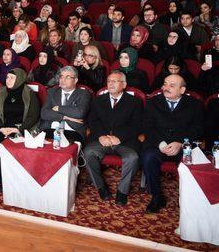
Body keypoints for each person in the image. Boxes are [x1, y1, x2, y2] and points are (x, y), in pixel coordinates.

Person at [141, 74, 204, 213]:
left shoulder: (195, 104)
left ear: (182, 90)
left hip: (183, 145)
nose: (166, 88)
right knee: (148, 157)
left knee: (190, 161)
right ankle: (156, 196)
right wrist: (161, 143)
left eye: (172, 85)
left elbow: (199, 129)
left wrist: (180, 143)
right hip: (158, 144)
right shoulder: (153, 102)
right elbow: (147, 127)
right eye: (165, 84)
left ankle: (186, 199)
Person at [84, 71, 143, 205]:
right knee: (88, 152)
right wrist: (101, 136)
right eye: (109, 81)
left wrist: (119, 138)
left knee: (132, 158)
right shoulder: (98, 100)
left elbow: (138, 125)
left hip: (124, 141)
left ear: (124, 84)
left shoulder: (134, 102)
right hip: (102, 140)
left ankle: (122, 191)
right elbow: (92, 121)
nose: (110, 84)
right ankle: (100, 187)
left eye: (114, 81)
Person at [0, 68, 40, 190]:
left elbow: (34, 115)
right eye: (7, 77)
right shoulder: (1, 92)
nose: (8, 80)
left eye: (12, 78)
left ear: (20, 79)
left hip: (20, 128)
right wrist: (1, 128)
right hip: (4, 127)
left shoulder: (29, 94)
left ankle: (17, 178)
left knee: (15, 146)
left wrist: (19, 130)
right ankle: (1, 179)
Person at [40, 66, 92, 143]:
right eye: (61, 77)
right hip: (51, 128)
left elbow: (79, 113)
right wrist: (65, 117)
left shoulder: (84, 94)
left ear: (75, 80)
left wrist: (58, 108)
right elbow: (44, 113)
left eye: (67, 77)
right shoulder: (52, 92)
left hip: (73, 131)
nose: (63, 80)